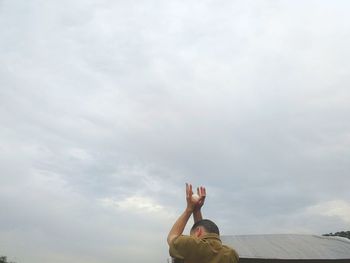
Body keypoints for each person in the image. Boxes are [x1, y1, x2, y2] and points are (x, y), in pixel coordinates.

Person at [167, 183, 239, 263]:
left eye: (192, 236)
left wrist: (189, 209)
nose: (193, 239)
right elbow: (204, 246)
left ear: (198, 232)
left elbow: (172, 237)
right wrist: (197, 210)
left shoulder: (190, 247)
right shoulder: (231, 254)